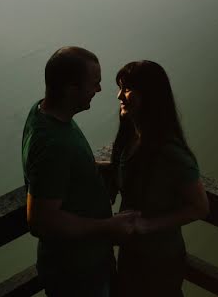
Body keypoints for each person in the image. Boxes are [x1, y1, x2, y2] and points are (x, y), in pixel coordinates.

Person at [22, 46, 139, 297]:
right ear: (70, 89)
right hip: (76, 274)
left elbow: (64, 173)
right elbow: (41, 222)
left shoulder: (43, 113)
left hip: (86, 264)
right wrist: (108, 226)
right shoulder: (53, 144)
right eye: (94, 83)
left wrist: (99, 172)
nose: (98, 90)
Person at [110, 60, 210, 297]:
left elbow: (200, 207)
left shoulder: (171, 152)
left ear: (150, 95)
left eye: (126, 89)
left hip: (160, 260)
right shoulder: (130, 139)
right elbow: (126, 170)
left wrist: (146, 226)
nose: (119, 96)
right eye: (120, 88)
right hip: (130, 253)